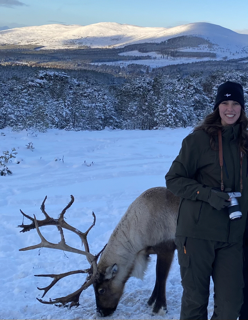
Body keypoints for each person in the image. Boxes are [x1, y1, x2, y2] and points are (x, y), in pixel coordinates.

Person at [165, 80, 248, 320]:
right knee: (195, 304)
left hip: (232, 238)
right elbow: (174, 179)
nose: (230, 109)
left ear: (242, 108)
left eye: (235, 103)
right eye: (225, 103)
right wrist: (207, 194)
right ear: (217, 107)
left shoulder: (245, 142)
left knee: (231, 306)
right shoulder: (198, 141)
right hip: (197, 235)